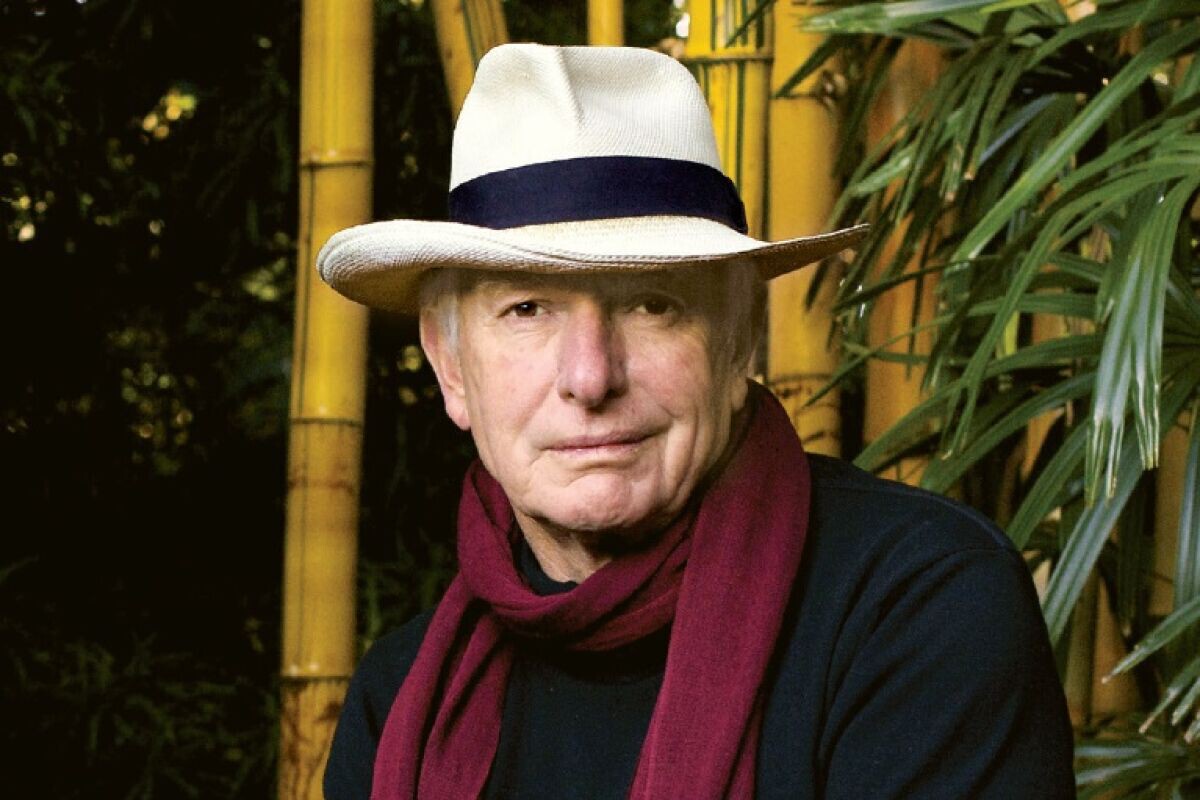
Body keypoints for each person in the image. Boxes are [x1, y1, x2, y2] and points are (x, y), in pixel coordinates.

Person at [317, 43, 1075, 800]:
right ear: (451, 365)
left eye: (652, 304)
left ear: (739, 340)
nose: (590, 377)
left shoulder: (922, 608)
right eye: (527, 309)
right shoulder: (404, 703)